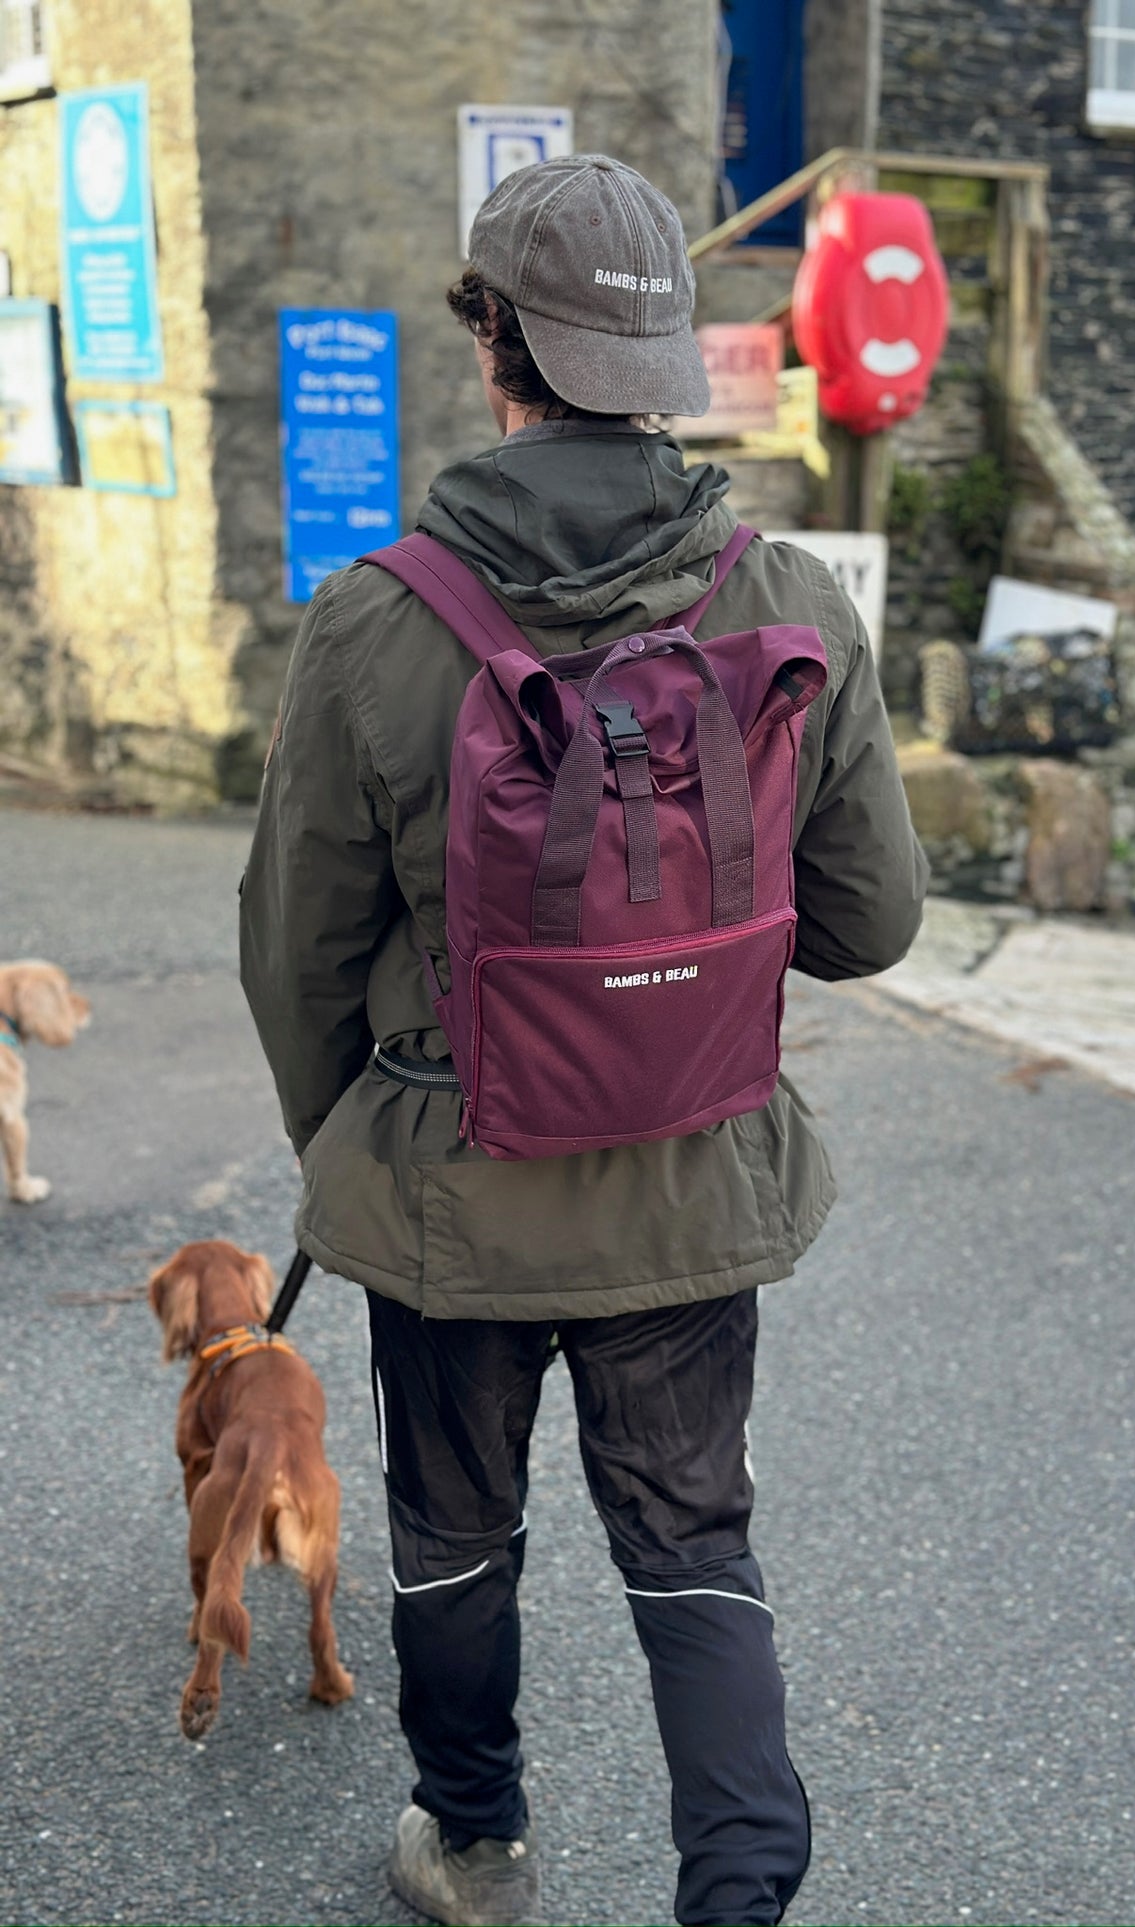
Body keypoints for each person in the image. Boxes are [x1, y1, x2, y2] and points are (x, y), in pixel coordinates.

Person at [240, 153, 928, 1927]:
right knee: (693, 1545)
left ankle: (475, 1853)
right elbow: (871, 923)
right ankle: (741, 1894)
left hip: (450, 1177)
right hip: (691, 1180)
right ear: (662, 367)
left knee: (456, 1541)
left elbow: (295, 957)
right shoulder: (786, 594)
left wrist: (369, 1149)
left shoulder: (380, 620)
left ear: (497, 351)